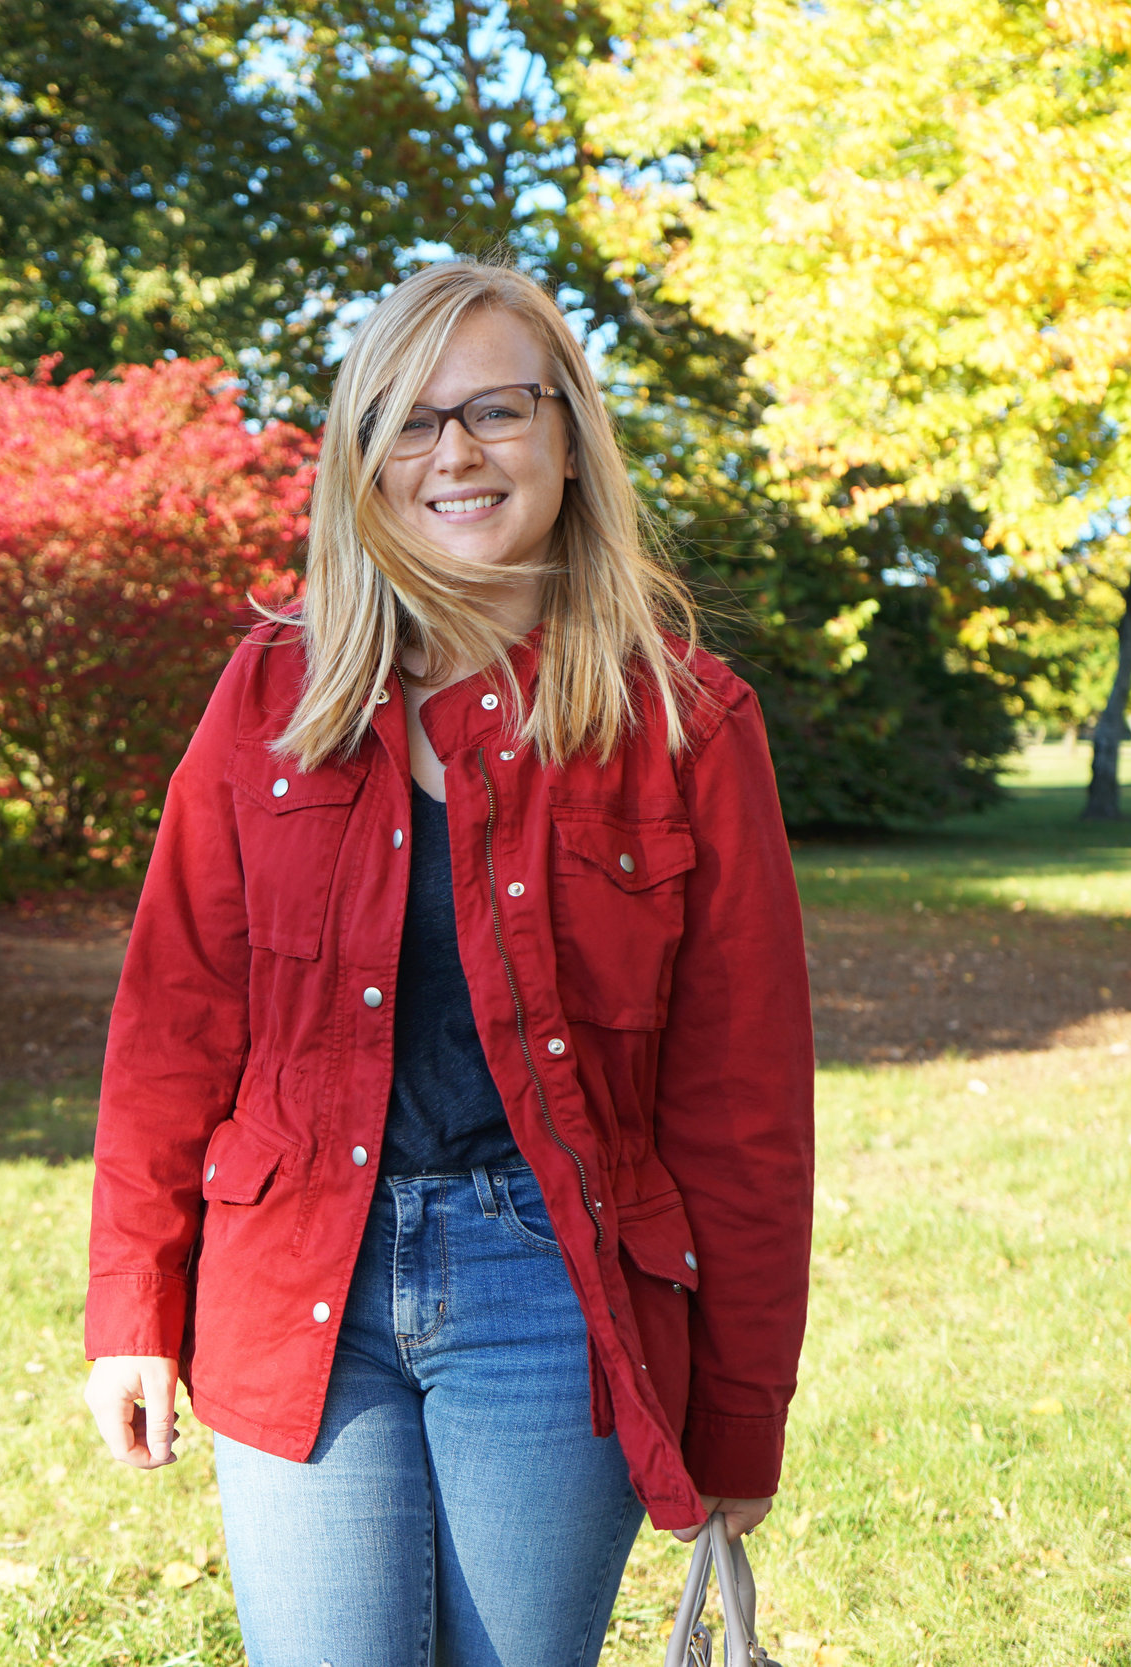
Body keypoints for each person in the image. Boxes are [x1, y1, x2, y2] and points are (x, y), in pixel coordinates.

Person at [80, 259, 815, 1667]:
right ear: (361, 459)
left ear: (568, 437)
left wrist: (736, 1414)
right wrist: (132, 1308)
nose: (454, 454)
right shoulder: (271, 696)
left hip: (556, 1292)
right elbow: (171, 1025)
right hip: (295, 1273)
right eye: (408, 421)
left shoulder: (688, 726)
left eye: (493, 410)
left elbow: (745, 1113)